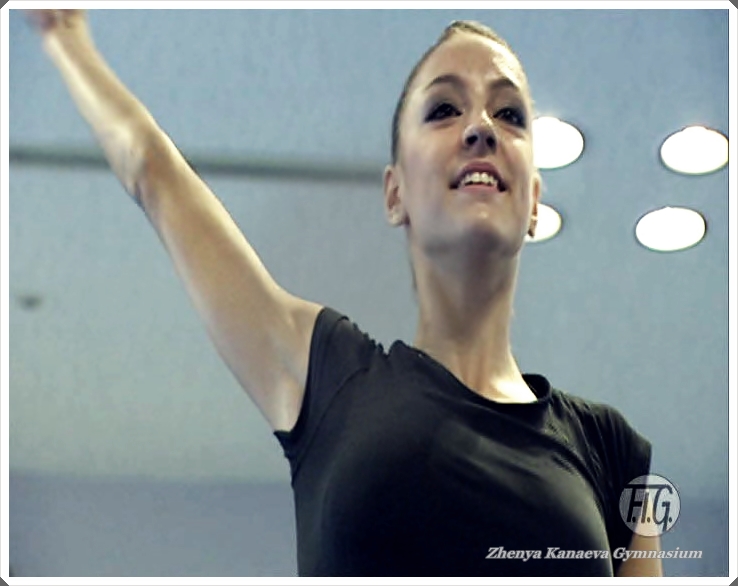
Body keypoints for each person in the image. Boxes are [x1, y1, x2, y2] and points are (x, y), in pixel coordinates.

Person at [23, 9, 661, 577]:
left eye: (510, 113)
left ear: (534, 201)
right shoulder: (328, 380)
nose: (480, 128)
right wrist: (65, 37)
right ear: (395, 193)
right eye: (444, 109)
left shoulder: (611, 451)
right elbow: (152, 171)